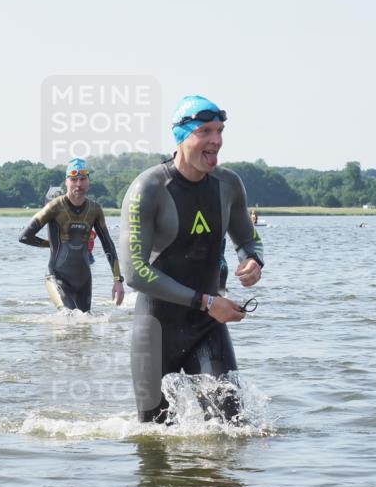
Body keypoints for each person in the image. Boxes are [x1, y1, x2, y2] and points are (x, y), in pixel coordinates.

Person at [119, 95, 263, 423]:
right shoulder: (149, 188)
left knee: (234, 427)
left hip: (206, 328)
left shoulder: (228, 185)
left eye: (220, 131)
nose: (216, 141)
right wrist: (206, 301)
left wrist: (253, 260)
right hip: (156, 330)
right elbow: (135, 273)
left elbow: (247, 237)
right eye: (206, 132)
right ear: (182, 136)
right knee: (155, 439)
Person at [19, 157, 124, 312]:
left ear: (89, 182)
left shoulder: (94, 210)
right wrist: (50, 244)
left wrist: (118, 280)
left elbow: (108, 244)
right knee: (68, 316)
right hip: (57, 277)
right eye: (74, 179)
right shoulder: (54, 207)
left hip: (84, 281)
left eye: (82, 179)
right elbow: (25, 236)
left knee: (85, 326)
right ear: (66, 182)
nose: (78, 184)